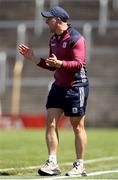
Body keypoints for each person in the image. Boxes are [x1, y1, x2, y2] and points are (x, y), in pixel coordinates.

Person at [18, 6, 89, 177]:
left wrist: (61, 64)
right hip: (58, 86)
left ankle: (80, 165)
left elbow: (79, 63)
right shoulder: (53, 40)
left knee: (77, 126)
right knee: (50, 121)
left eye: (48, 18)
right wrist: (33, 58)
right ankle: (52, 162)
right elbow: (52, 65)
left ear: (58, 20)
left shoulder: (76, 38)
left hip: (76, 86)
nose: (45, 21)